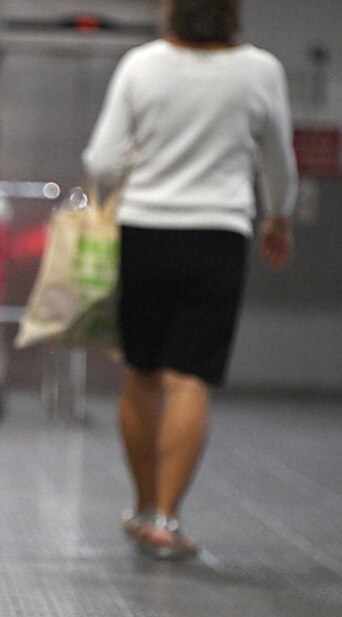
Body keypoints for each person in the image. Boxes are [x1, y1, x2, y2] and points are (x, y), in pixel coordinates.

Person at [83, 0, 298, 560]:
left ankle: (141, 504)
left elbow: (102, 161)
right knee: (189, 378)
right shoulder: (260, 69)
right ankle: (167, 518)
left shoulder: (141, 64)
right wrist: (280, 214)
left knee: (141, 373)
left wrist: (144, 162)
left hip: (146, 229)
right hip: (219, 234)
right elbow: (279, 162)